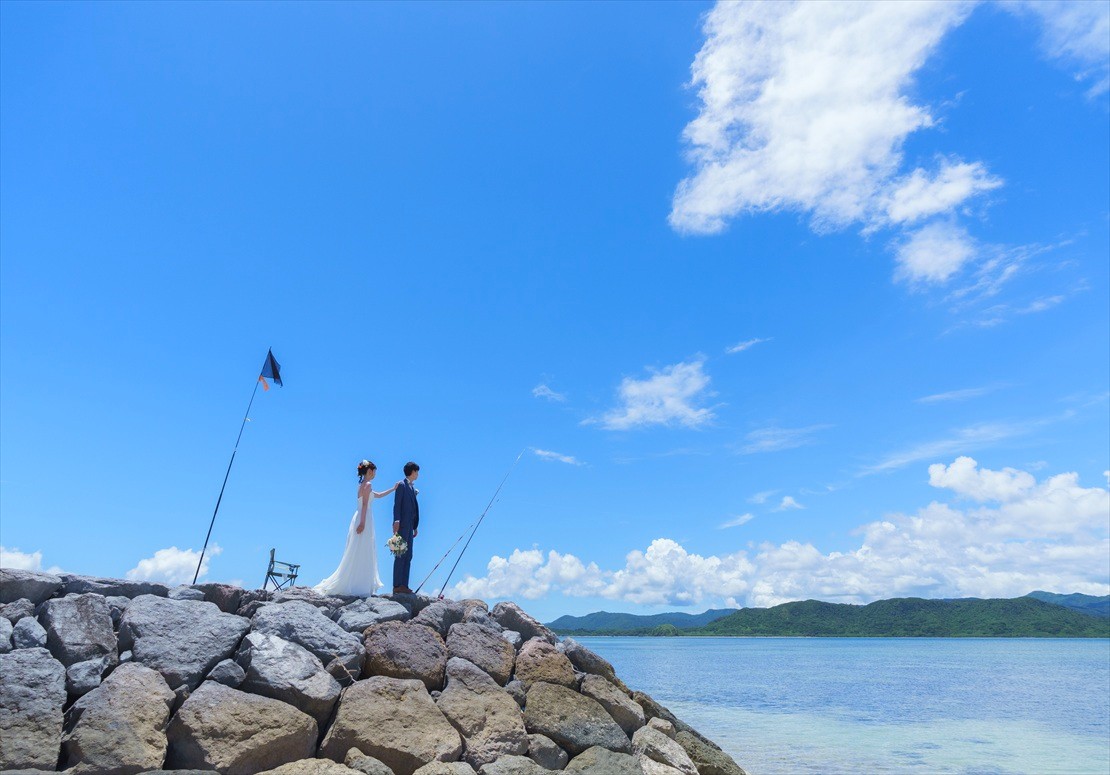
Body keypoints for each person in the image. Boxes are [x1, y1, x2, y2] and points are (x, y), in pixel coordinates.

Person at [314, 460, 398, 597]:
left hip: (360, 516)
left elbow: (378, 495)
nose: (375, 474)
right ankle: (360, 585)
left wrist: (393, 489)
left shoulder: (363, 485)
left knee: (359, 548)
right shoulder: (368, 485)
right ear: (370, 471)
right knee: (362, 548)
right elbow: (365, 504)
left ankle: (358, 582)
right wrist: (363, 523)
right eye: (374, 471)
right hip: (364, 517)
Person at [392, 461, 420, 594]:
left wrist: (415, 526)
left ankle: (404, 584)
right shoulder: (402, 485)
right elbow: (397, 505)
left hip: (410, 526)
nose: (418, 474)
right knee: (400, 553)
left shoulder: (412, 488)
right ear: (412, 471)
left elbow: (414, 509)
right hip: (402, 525)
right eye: (417, 471)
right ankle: (397, 585)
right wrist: (396, 520)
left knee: (409, 555)